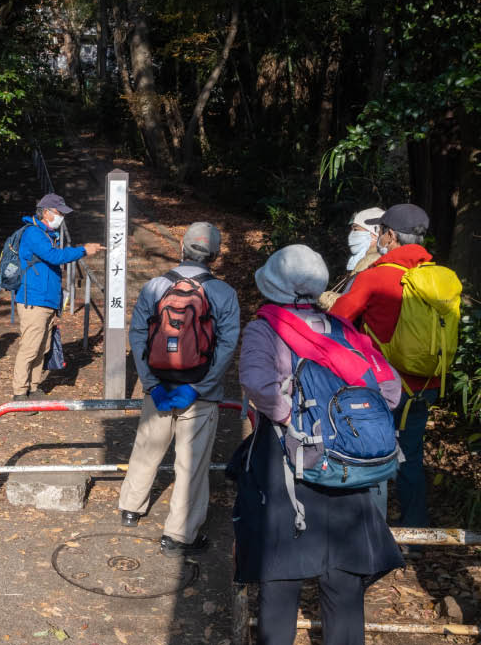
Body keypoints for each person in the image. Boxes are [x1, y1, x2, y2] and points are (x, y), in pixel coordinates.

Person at [232, 244, 404, 645]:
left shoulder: (265, 328)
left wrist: (296, 419)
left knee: (281, 580)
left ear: (272, 283)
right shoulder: (345, 331)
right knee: (344, 586)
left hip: (290, 468)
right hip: (350, 469)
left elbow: (259, 384)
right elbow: (390, 390)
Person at [118, 222, 240, 556]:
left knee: (147, 448)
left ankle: (131, 508)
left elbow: (139, 335)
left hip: (160, 384)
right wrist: (201, 387)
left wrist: (152, 383)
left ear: (181, 248)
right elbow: (227, 346)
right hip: (198, 395)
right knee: (191, 464)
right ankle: (178, 536)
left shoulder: (156, 286)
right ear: (214, 256)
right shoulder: (224, 294)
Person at [329, 203, 441, 528]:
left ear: (389, 235)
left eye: (380, 233)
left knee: (372, 455)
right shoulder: (438, 279)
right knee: (412, 457)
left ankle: (369, 531)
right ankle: (415, 530)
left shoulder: (375, 277)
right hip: (426, 386)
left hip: (382, 387)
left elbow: (336, 323)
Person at [12, 193, 103, 401]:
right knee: (30, 347)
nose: (61, 216)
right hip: (33, 300)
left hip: (47, 301)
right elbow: (54, 256)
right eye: (59, 212)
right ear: (46, 212)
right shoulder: (34, 233)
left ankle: (33, 387)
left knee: (42, 347)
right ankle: (19, 392)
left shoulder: (48, 235)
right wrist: (83, 250)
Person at [318, 207, 384, 310]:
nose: (351, 234)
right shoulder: (368, 259)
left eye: (356, 229)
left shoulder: (372, 261)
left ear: (375, 232)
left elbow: (353, 302)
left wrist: (322, 298)